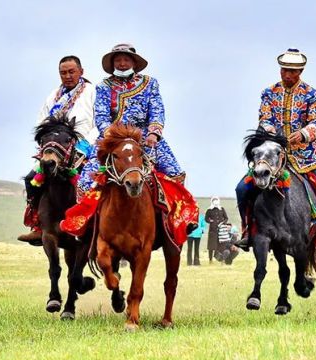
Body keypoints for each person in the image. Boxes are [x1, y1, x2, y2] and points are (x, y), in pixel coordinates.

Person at [60, 44, 198, 241]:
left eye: (126, 60)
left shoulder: (150, 83)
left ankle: (181, 221)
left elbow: (157, 111)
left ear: (134, 62)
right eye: (118, 60)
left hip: (144, 138)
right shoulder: (104, 86)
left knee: (174, 172)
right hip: (113, 138)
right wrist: (111, 134)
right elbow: (100, 116)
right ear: (113, 63)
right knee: (86, 180)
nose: (122, 64)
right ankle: (85, 225)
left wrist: (154, 133)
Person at [234, 48, 316, 257]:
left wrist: (303, 134)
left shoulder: (313, 95)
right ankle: (248, 230)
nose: (287, 75)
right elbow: (264, 118)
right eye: (284, 70)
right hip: (272, 157)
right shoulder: (269, 93)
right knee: (241, 189)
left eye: (292, 71)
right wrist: (270, 132)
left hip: (306, 158)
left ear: (300, 71)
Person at [18, 55, 97, 245]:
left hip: (84, 148)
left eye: (72, 72)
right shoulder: (53, 95)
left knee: (96, 183)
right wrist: (46, 143)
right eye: (63, 72)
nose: (68, 76)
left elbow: (100, 122)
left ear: (81, 72)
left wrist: (85, 144)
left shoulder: (93, 92)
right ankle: (38, 225)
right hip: (56, 149)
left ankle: (96, 226)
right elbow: (41, 122)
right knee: (31, 179)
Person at [205, 196, 228, 263]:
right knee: (211, 246)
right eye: (214, 200)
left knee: (221, 245)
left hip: (221, 231)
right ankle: (210, 260)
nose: (215, 201)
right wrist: (210, 221)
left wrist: (223, 223)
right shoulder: (209, 209)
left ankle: (221, 260)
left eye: (216, 200)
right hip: (213, 230)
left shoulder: (222, 209)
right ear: (212, 201)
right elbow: (206, 218)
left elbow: (226, 218)